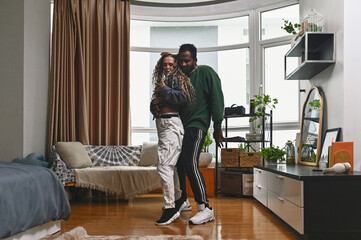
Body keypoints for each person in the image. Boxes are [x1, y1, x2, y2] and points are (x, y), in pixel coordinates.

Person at [175, 43, 226, 225]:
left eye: (187, 61)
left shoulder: (205, 72)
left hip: (197, 125)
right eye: (180, 61)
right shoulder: (180, 80)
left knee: (190, 162)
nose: (183, 64)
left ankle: (205, 208)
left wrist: (218, 126)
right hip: (181, 127)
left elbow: (217, 98)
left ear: (195, 60)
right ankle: (183, 201)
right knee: (179, 163)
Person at [150, 52, 195, 225]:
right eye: (165, 65)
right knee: (171, 166)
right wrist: (153, 104)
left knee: (164, 166)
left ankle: (169, 208)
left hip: (171, 125)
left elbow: (182, 98)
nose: (167, 67)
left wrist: (163, 90)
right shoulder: (165, 81)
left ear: (175, 65)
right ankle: (180, 200)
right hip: (163, 125)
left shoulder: (176, 79)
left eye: (170, 64)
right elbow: (161, 101)